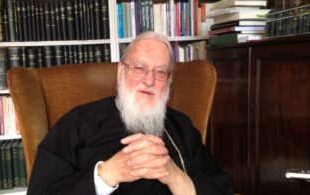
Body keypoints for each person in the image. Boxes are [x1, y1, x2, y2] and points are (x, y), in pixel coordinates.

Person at [27, 31, 233, 195]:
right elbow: (41, 191)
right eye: (139, 68)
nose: (149, 80)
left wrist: (175, 177)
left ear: (168, 82)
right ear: (120, 72)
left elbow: (221, 187)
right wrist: (106, 175)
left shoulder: (181, 126)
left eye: (160, 72)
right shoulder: (79, 123)